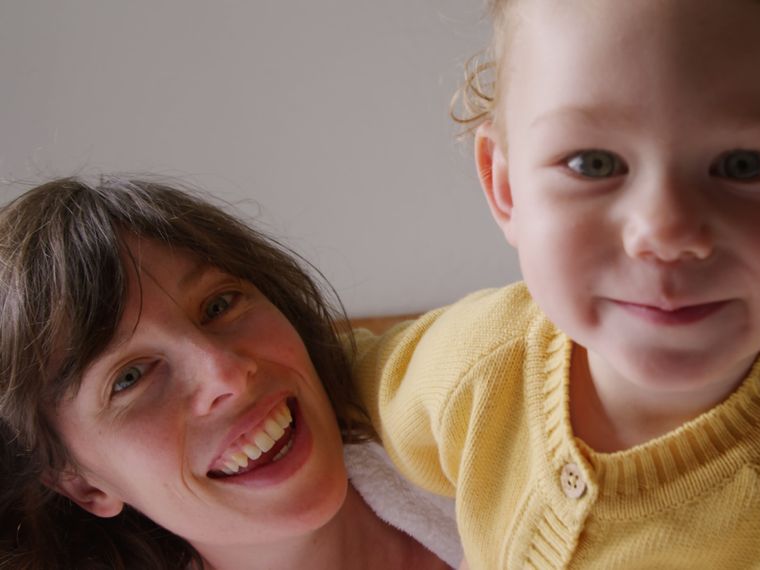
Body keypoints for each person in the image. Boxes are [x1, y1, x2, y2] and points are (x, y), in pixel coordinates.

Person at [350, 0, 760, 568]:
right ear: (506, 186)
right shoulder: (470, 366)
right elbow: (316, 381)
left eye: (744, 165)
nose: (664, 231)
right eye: (594, 162)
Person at [0, 177, 461, 569]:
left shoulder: (478, 424)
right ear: (83, 484)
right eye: (130, 377)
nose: (226, 373)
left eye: (218, 305)